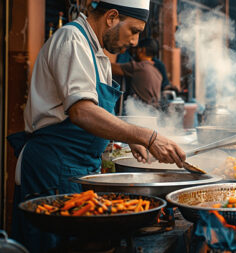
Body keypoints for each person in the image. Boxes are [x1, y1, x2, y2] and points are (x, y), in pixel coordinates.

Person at [7, 1, 186, 252]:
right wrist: (147, 137)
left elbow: (97, 111)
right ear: (112, 17)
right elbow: (82, 111)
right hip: (54, 170)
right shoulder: (71, 40)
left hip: (77, 168)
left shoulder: (98, 53)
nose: (135, 42)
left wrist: (129, 137)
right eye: (133, 31)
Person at [111, 38, 164, 108]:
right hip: (153, 112)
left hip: (140, 112)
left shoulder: (138, 67)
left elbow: (111, 67)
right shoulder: (158, 73)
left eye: (137, 49)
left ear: (142, 50)